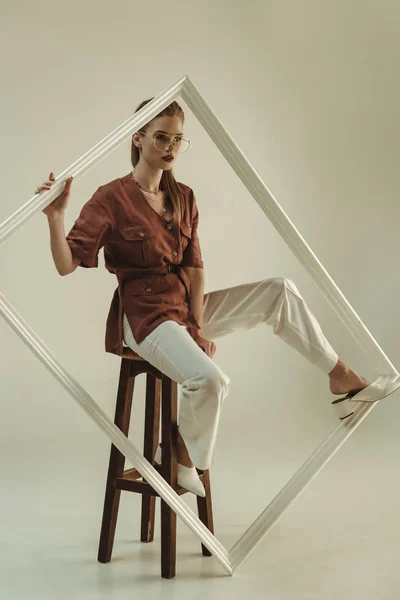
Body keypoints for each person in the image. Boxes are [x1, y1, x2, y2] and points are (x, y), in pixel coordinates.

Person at [36, 99, 400, 497]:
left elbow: (194, 269)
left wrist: (195, 326)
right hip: (143, 316)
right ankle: (181, 457)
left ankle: (340, 377)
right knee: (209, 379)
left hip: (183, 307)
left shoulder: (184, 197)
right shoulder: (111, 198)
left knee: (278, 292)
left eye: (177, 139)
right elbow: (67, 264)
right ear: (137, 138)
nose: (170, 147)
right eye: (160, 137)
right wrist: (55, 217)